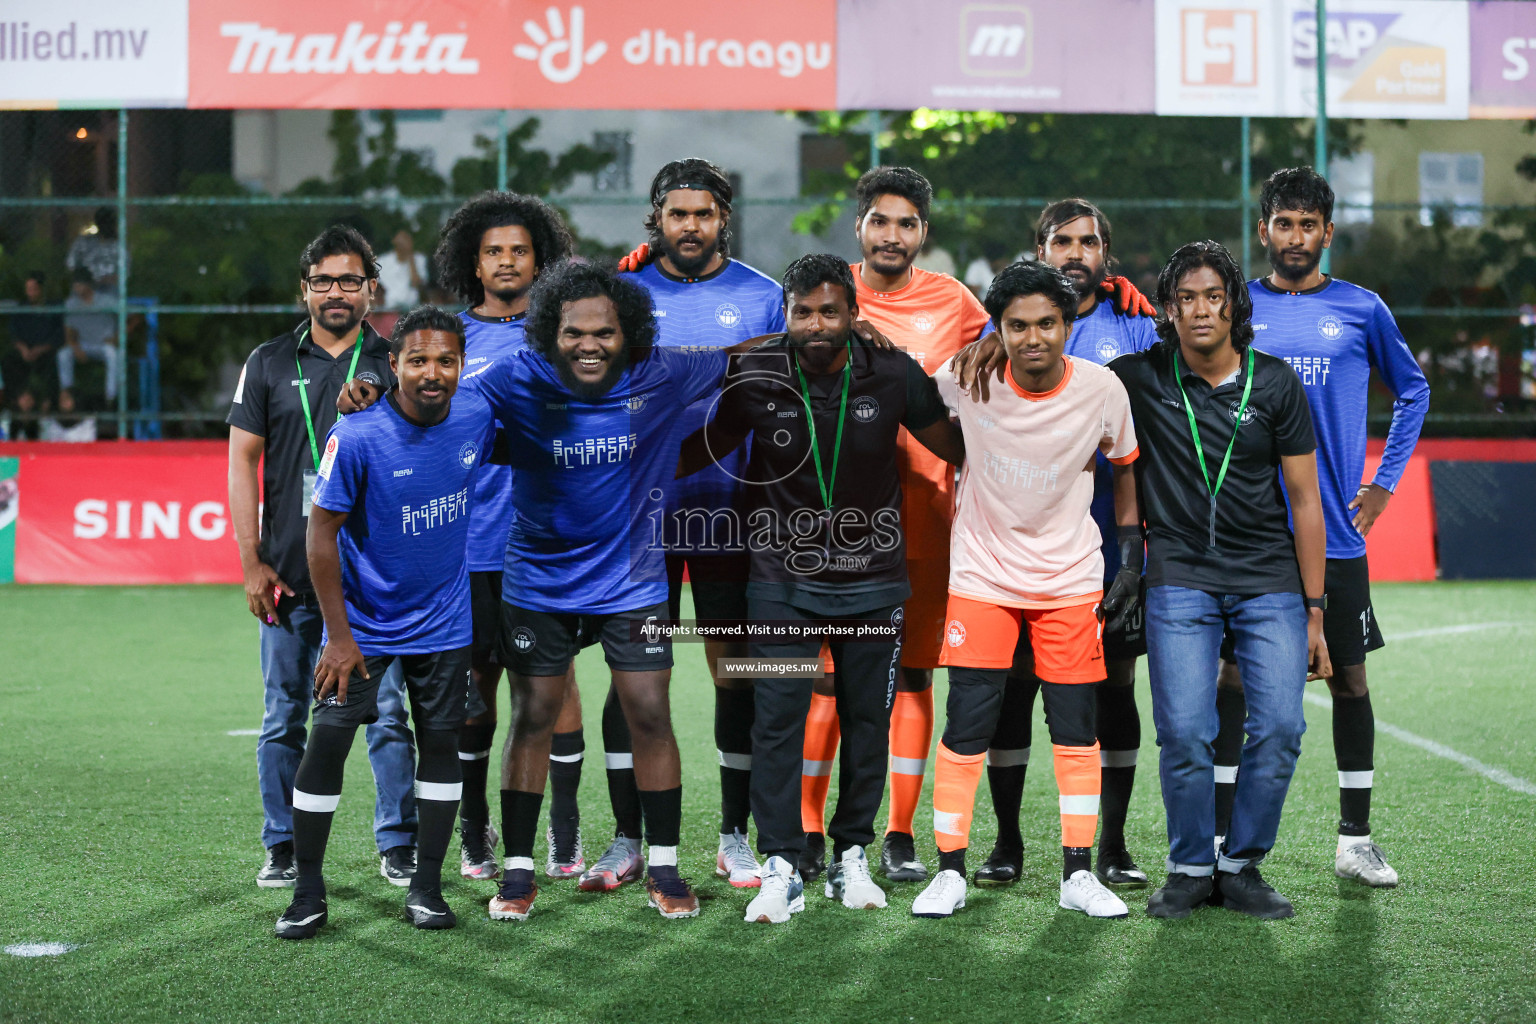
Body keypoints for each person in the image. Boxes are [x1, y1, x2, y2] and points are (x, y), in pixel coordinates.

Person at [462, 259, 766, 923]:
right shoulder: (515, 377)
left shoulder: (661, 371)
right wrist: (369, 390)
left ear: (627, 333)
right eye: (574, 332)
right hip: (538, 581)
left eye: (604, 332)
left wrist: (848, 335)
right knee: (534, 715)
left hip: (631, 579)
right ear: (550, 334)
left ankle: (662, 863)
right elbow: (439, 401)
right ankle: (517, 875)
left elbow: (743, 353)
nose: (590, 344)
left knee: (650, 712)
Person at [677, 254, 965, 924]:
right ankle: (781, 862)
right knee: (776, 720)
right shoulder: (755, 374)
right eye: (802, 311)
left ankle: (851, 856)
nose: (815, 324)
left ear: (852, 314)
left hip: (874, 581)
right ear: (785, 314)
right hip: (780, 579)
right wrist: (621, 447)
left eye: (829, 311)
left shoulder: (891, 372)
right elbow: (701, 448)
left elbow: (955, 445)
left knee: (869, 721)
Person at [1211, 168, 1430, 888]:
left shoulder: (1362, 309)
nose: (1296, 236)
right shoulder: (1236, 311)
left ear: (1327, 233)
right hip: (1250, 533)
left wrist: (1384, 485)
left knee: (1351, 681)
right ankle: (1218, 840)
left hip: (1335, 533)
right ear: (1265, 229)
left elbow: (1413, 390)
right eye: (1284, 223)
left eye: (1309, 224)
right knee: (1233, 682)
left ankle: (1355, 839)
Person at [1110, 241, 1330, 920]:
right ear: (1167, 309)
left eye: (1214, 296)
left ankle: (1240, 865)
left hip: (1269, 577)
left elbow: (1305, 501)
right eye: (1186, 298)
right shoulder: (1137, 377)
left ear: (1234, 304)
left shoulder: (1275, 384)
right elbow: (1051, 368)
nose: (1201, 310)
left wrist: (1316, 610)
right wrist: (989, 349)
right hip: (1179, 573)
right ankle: (1187, 866)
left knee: (1281, 726)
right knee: (1183, 729)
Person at [913, 260, 1139, 920]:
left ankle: (1077, 874)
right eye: (1017, 325)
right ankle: (949, 871)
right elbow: (918, 402)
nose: (1033, 337)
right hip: (982, 578)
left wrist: (1130, 556)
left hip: (1070, 582)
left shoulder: (1102, 389)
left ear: (1069, 324)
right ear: (998, 327)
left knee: (1076, 730)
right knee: (966, 726)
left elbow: (1125, 467)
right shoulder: (967, 374)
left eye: (1047, 323)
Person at [953, 200, 1159, 891]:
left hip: (1104, 547)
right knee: (1010, 690)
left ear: (1108, 252)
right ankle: (1008, 844)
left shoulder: (1138, 321)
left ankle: (1114, 846)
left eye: (1089, 241)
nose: (1076, 252)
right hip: (1013, 550)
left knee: (1113, 692)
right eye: (1061, 241)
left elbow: (1140, 442)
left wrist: (1134, 556)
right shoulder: (1008, 328)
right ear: (1039, 250)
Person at [275, 306, 494, 939]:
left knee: (441, 747)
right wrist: (339, 638)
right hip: (364, 629)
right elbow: (320, 537)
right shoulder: (360, 434)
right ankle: (308, 892)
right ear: (392, 364)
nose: (433, 373)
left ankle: (426, 887)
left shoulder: (478, 414)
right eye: (418, 360)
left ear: (461, 365)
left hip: (447, 623)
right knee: (329, 743)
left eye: (446, 361)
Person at [604, 158, 787, 891]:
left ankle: (734, 836)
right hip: (639, 517)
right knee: (634, 675)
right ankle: (625, 837)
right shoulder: (620, 295)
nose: (690, 226)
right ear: (655, 218)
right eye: (676, 214)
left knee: (732, 670)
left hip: (729, 513)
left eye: (702, 214)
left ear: (723, 219)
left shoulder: (765, 296)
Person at [227, 225, 417, 892]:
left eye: (349, 280)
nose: (336, 292)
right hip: (285, 576)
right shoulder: (270, 360)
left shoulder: (397, 361)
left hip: (371, 586)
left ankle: (398, 842)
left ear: (373, 288)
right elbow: (242, 463)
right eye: (323, 281)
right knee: (283, 716)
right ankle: (282, 844)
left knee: (388, 715)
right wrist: (251, 561)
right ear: (304, 289)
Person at [424, 192, 584, 883]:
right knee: (475, 693)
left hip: (546, 545)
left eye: (520, 250)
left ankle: (564, 828)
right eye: (494, 251)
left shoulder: (567, 333)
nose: (507, 261)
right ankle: (474, 830)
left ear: (541, 259)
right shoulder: (448, 342)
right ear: (474, 262)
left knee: (555, 688)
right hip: (469, 545)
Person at [2, 272, 62, 437]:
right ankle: (19, 399)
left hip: (44, 353)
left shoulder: (52, 308)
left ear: (41, 289)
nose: (30, 293)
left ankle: (46, 403)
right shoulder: (21, 308)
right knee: (8, 360)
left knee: (54, 363)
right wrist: (23, 348)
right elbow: (13, 333)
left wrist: (41, 349)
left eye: (34, 289)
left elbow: (58, 335)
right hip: (24, 352)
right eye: (28, 289)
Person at [59, 268, 118, 408]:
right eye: (75, 285)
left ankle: (111, 399)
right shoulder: (71, 304)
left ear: (88, 284)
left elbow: (134, 318)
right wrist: (74, 347)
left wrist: (117, 338)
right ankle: (67, 397)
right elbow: (68, 331)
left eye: (79, 284)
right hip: (82, 345)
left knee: (113, 354)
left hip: (104, 345)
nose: (76, 288)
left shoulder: (106, 301)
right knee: (63, 355)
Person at [66, 207, 120, 295]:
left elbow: (123, 272)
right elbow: (70, 264)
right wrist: (85, 279)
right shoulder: (83, 242)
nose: (106, 226)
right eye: (103, 222)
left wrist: (106, 280)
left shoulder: (118, 246)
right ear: (98, 223)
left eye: (109, 222)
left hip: (108, 289)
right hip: (85, 287)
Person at [377, 229, 429, 311]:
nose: (403, 242)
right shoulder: (382, 261)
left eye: (406, 238)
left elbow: (416, 283)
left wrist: (410, 256)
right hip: (387, 310)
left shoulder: (419, 259)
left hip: (411, 310)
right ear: (394, 240)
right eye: (401, 237)